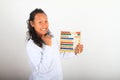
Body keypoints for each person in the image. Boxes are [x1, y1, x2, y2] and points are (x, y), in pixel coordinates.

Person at [26, 8, 83, 80]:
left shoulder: (51, 38)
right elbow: (42, 70)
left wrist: (75, 52)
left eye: (46, 21)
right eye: (40, 22)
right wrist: (48, 46)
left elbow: (59, 54)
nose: (44, 25)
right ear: (32, 23)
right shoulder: (31, 45)